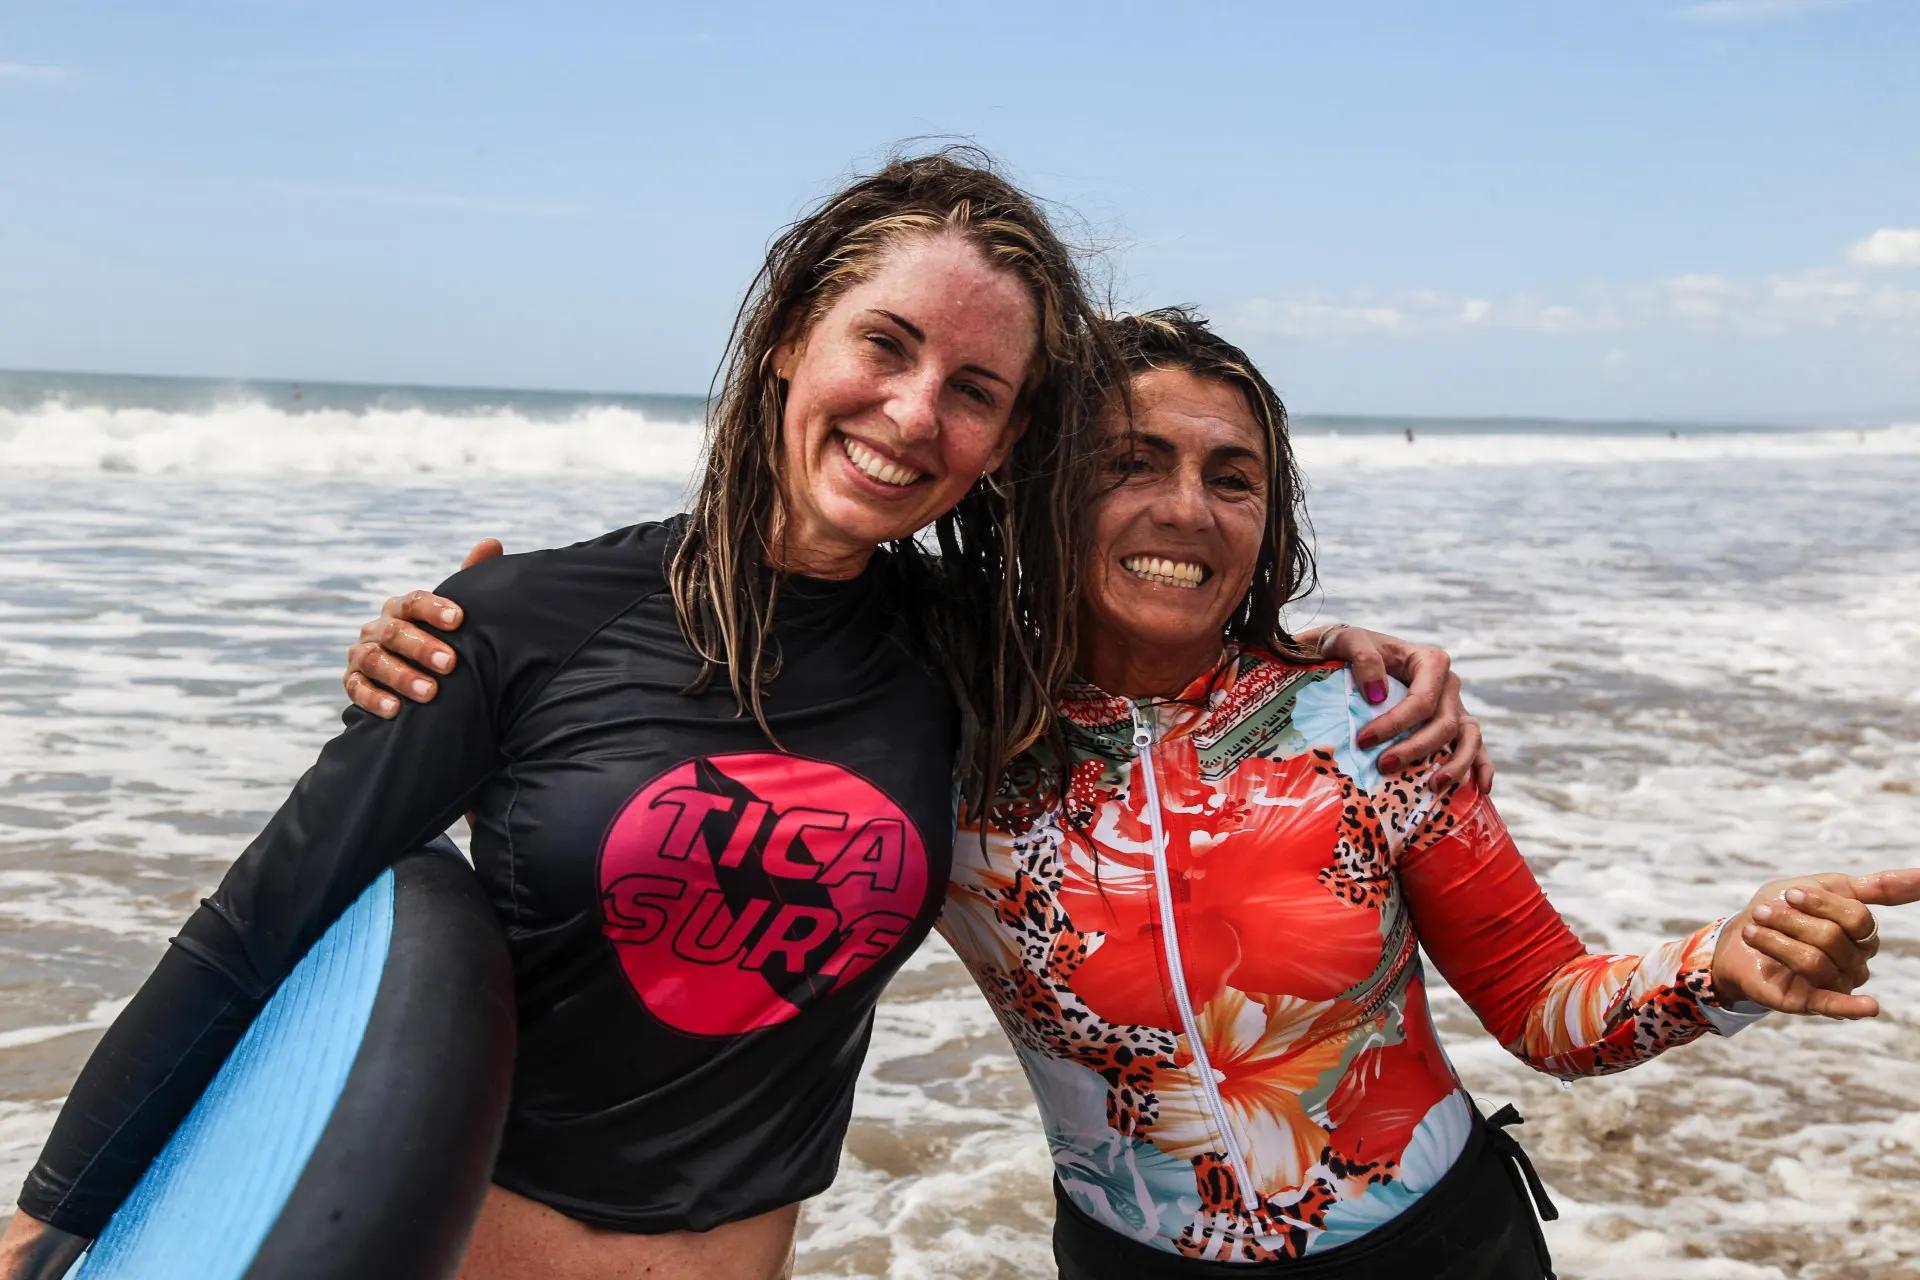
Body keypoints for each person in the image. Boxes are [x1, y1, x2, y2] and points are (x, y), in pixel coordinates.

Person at [0, 153, 1478, 1280]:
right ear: (787, 335)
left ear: (1008, 438)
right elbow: (256, 936)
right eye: (883, 347)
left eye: (974, 389)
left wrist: (1337, 662)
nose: (912, 417)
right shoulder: (518, 626)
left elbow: (1166, 641)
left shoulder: (967, 657)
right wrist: (37, 1235)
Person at [336, 309, 1918, 1280]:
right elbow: (674, 739)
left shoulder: (1360, 721)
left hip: (1444, 1259)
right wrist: (479, 643)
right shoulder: (935, 731)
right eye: (1132, 461)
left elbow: (1549, 1007)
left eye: (1232, 476)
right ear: (1041, 496)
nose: (1185, 507)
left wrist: (1727, 968)